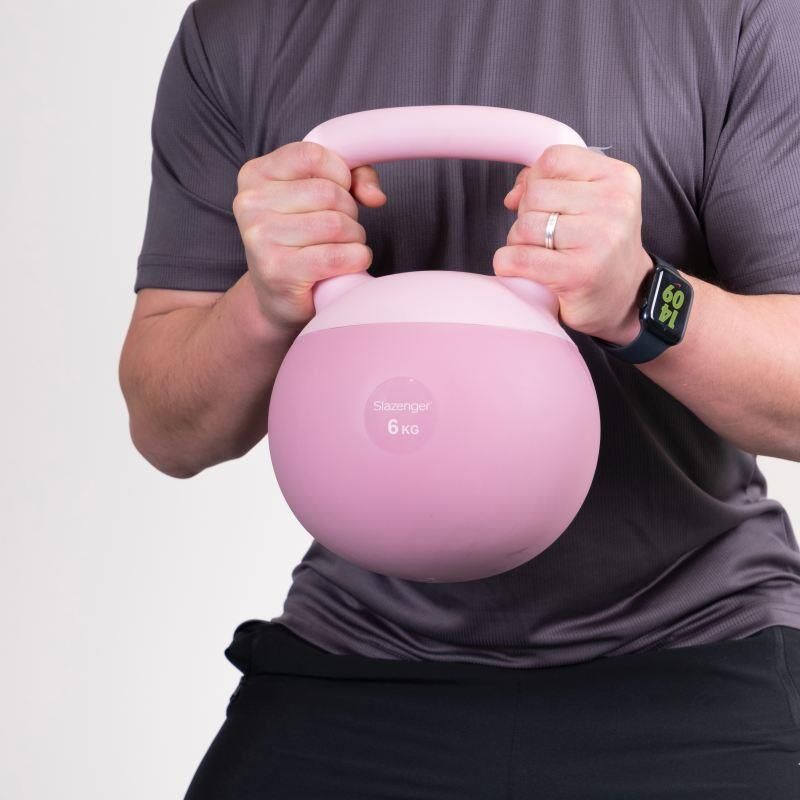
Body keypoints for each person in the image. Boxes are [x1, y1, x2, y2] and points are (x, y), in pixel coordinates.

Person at [119, 0, 800, 796]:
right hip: (357, 650)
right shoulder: (242, 28)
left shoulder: (742, 16)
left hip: (697, 641)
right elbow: (168, 431)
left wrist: (640, 298)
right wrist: (265, 302)